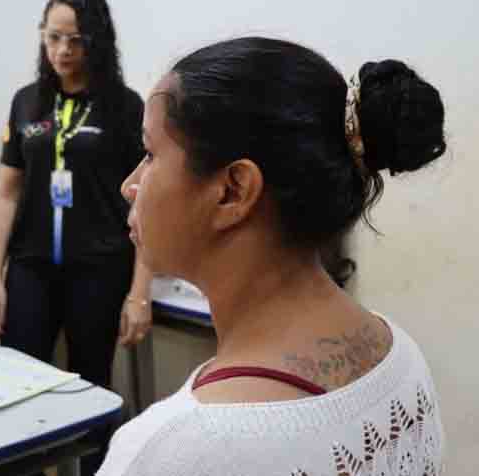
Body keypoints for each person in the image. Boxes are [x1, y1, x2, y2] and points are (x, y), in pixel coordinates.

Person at [98, 37, 446, 475]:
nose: (130, 184)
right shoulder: (403, 362)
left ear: (233, 190)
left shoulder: (172, 452)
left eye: (150, 155)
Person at [0, 0, 151, 474]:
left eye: (75, 40)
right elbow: (7, 193)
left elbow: (147, 204)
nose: (63, 50)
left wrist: (140, 291)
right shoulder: (26, 103)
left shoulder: (125, 107)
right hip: (31, 266)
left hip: (98, 268)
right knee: (16, 388)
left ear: (97, 41)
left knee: (91, 388)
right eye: (53, 37)